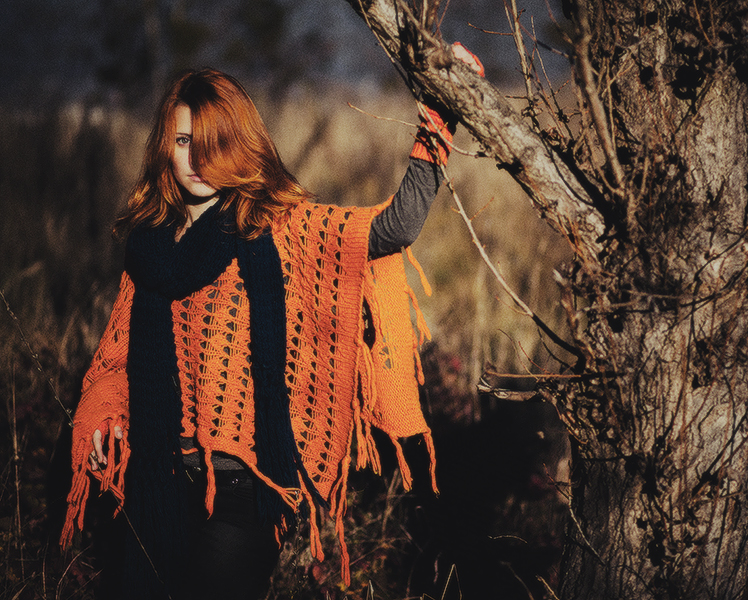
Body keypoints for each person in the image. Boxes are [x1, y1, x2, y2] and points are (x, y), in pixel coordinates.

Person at [60, 44, 483, 600]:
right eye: (184, 142)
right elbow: (114, 362)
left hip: (245, 490)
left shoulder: (279, 228)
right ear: (166, 146)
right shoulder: (149, 249)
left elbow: (397, 226)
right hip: (157, 482)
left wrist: (439, 108)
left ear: (239, 145)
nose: (197, 159)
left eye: (214, 143)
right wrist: (101, 414)